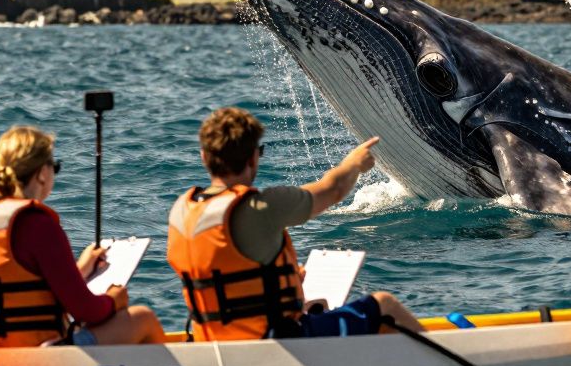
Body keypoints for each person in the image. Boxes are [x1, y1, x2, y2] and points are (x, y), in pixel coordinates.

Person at [167, 107, 423, 341]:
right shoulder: (263, 207)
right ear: (253, 158)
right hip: (273, 342)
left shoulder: (181, 210)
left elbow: (223, 272)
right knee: (384, 306)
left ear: (204, 156)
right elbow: (333, 189)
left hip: (209, 341)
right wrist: (354, 163)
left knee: (316, 306)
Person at [0, 126, 163, 348]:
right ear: (42, 173)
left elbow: (19, 283)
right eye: (55, 167)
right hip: (37, 355)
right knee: (143, 318)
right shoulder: (36, 223)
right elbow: (87, 311)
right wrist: (113, 300)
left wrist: (80, 270)